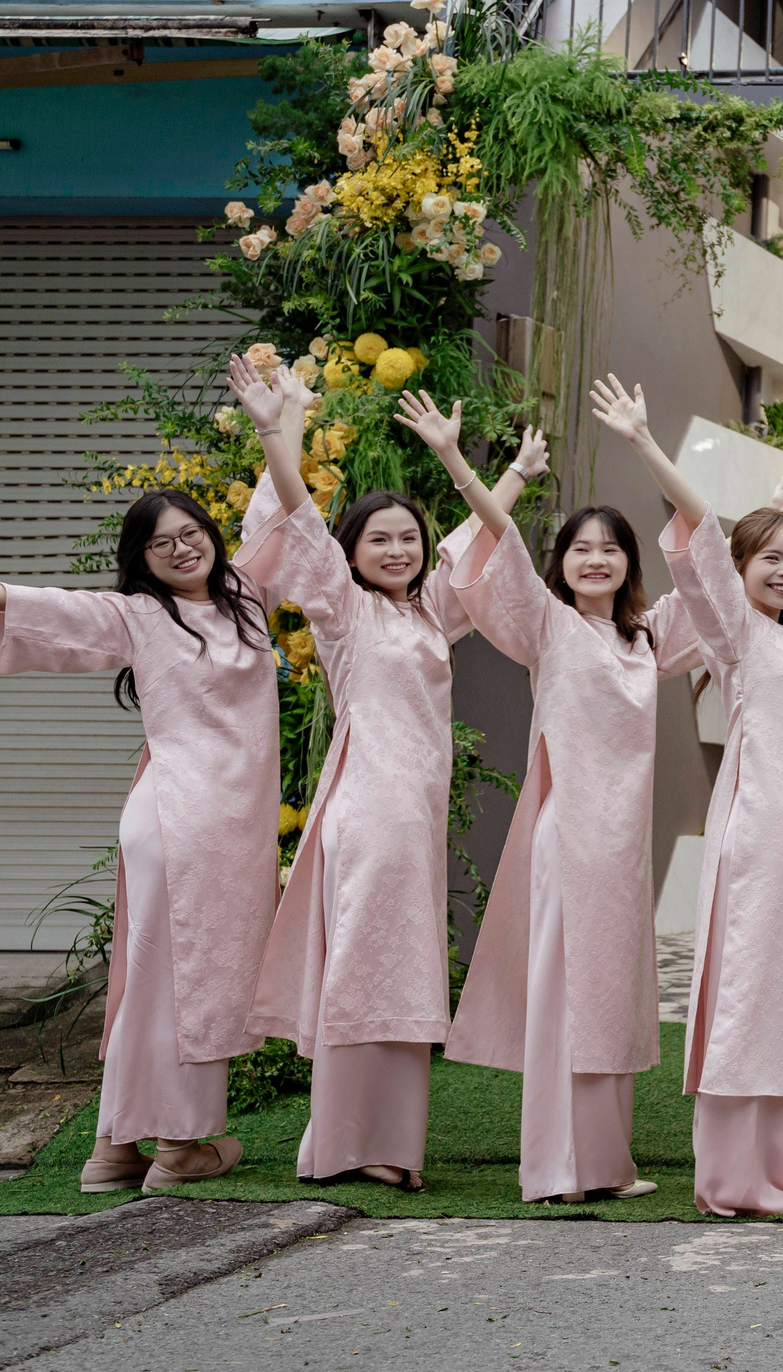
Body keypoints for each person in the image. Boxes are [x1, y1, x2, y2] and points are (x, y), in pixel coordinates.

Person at [0, 493, 279, 1195]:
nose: (182, 549)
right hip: (183, 822)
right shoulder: (140, 615)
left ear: (212, 535)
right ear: (140, 562)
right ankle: (179, 1146)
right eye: (160, 544)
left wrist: (277, 417)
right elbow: (25, 599)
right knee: (191, 980)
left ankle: (113, 1150)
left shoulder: (245, 596)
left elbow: (277, 510)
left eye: (191, 533)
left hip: (213, 828)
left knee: (152, 982)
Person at [229, 354, 542, 1193]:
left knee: (404, 969)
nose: (398, 549)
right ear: (352, 554)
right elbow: (298, 513)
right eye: (381, 539)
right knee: (360, 968)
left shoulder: (427, 611)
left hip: (414, 820)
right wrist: (275, 429)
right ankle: (337, 1146)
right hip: (366, 811)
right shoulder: (342, 606)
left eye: (409, 537)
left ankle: (393, 1146)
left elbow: (473, 545)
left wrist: (505, 470)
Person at [593, 374, 783, 1218]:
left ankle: (767, 1173)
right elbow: (705, 534)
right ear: (737, 573)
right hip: (754, 834)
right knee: (747, 997)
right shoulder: (731, 628)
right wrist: (647, 443)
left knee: (777, 998)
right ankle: (729, 1179)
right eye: (772, 559)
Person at [399, 394, 706, 1206]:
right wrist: (460, 462)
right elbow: (497, 548)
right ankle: (553, 1168)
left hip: (622, 850)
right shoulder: (549, 627)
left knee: (610, 995)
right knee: (565, 995)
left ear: (628, 564)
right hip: (565, 837)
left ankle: (603, 1164)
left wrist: (646, 441)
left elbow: (711, 567)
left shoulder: (649, 638)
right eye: (579, 550)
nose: (595, 560)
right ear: (560, 565)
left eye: (610, 550)